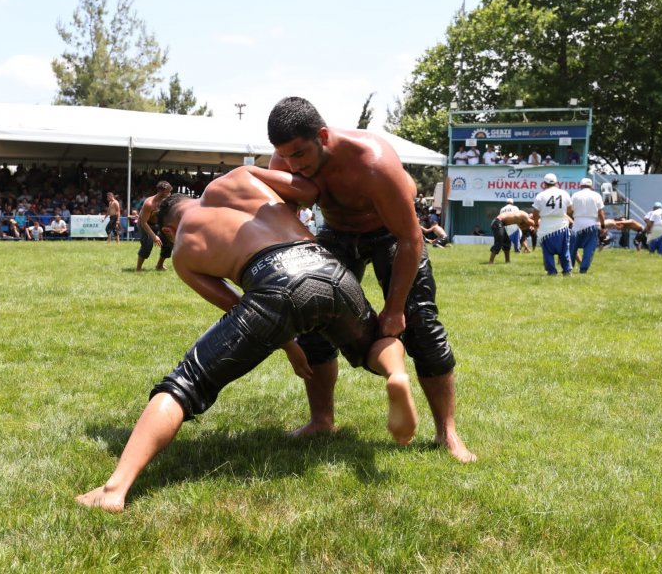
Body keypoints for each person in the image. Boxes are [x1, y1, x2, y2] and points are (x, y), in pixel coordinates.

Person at [75, 166, 418, 512]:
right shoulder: (237, 180)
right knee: (374, 340)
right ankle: (396, 374)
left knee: (187, 382)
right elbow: (306, 190)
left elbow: (239, 307)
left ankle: (114, 489)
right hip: (328, 265)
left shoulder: (183, 252)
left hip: (271, 279)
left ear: (168, 228)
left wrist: (288, 343)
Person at [249, 96, 474, 463]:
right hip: (335, 234)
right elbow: (284, 219)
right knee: (312, 319)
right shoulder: (285, 161)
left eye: (300, 154)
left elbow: (410, 237)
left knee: (421, 326)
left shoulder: (373, 161)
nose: (293, 165)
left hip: (390, 234)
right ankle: (321, 420)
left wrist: (395, 308)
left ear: (322, 135)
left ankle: (446, 433)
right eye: (284, 156)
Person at [531, 173, 572, 275]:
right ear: (556, 182)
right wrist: (561, 213)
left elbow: (535, 213)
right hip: (561, 224)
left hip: (546, 226)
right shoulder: (564, 193)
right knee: (564, 249)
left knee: (547, 251)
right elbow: (570, 210)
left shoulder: (540, 195)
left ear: (544, 184)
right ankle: (567, 271)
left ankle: (551, 271)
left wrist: (536, 224)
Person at [568, 178, 606, 273]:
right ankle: (583, 269)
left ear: (580, 186)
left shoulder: (575, 195)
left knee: (573, 247)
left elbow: (569, 210)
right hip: (591, 223)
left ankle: (569, 268)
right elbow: (601, 213)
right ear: (591, 186)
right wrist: (603, 226)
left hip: (577, 223)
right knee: (589, 248)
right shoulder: (596, 195)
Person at [136, 181, 173, 271]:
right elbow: (144, 222)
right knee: (147, 245)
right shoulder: (149, 203)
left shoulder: (166, 201)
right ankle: (138, 268)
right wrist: (154, 236)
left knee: (169, 242)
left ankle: (159, 265)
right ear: (160, 191)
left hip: (158, 224)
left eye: (169, 192)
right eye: (167, 192)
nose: (169, 194)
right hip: (144, 224)